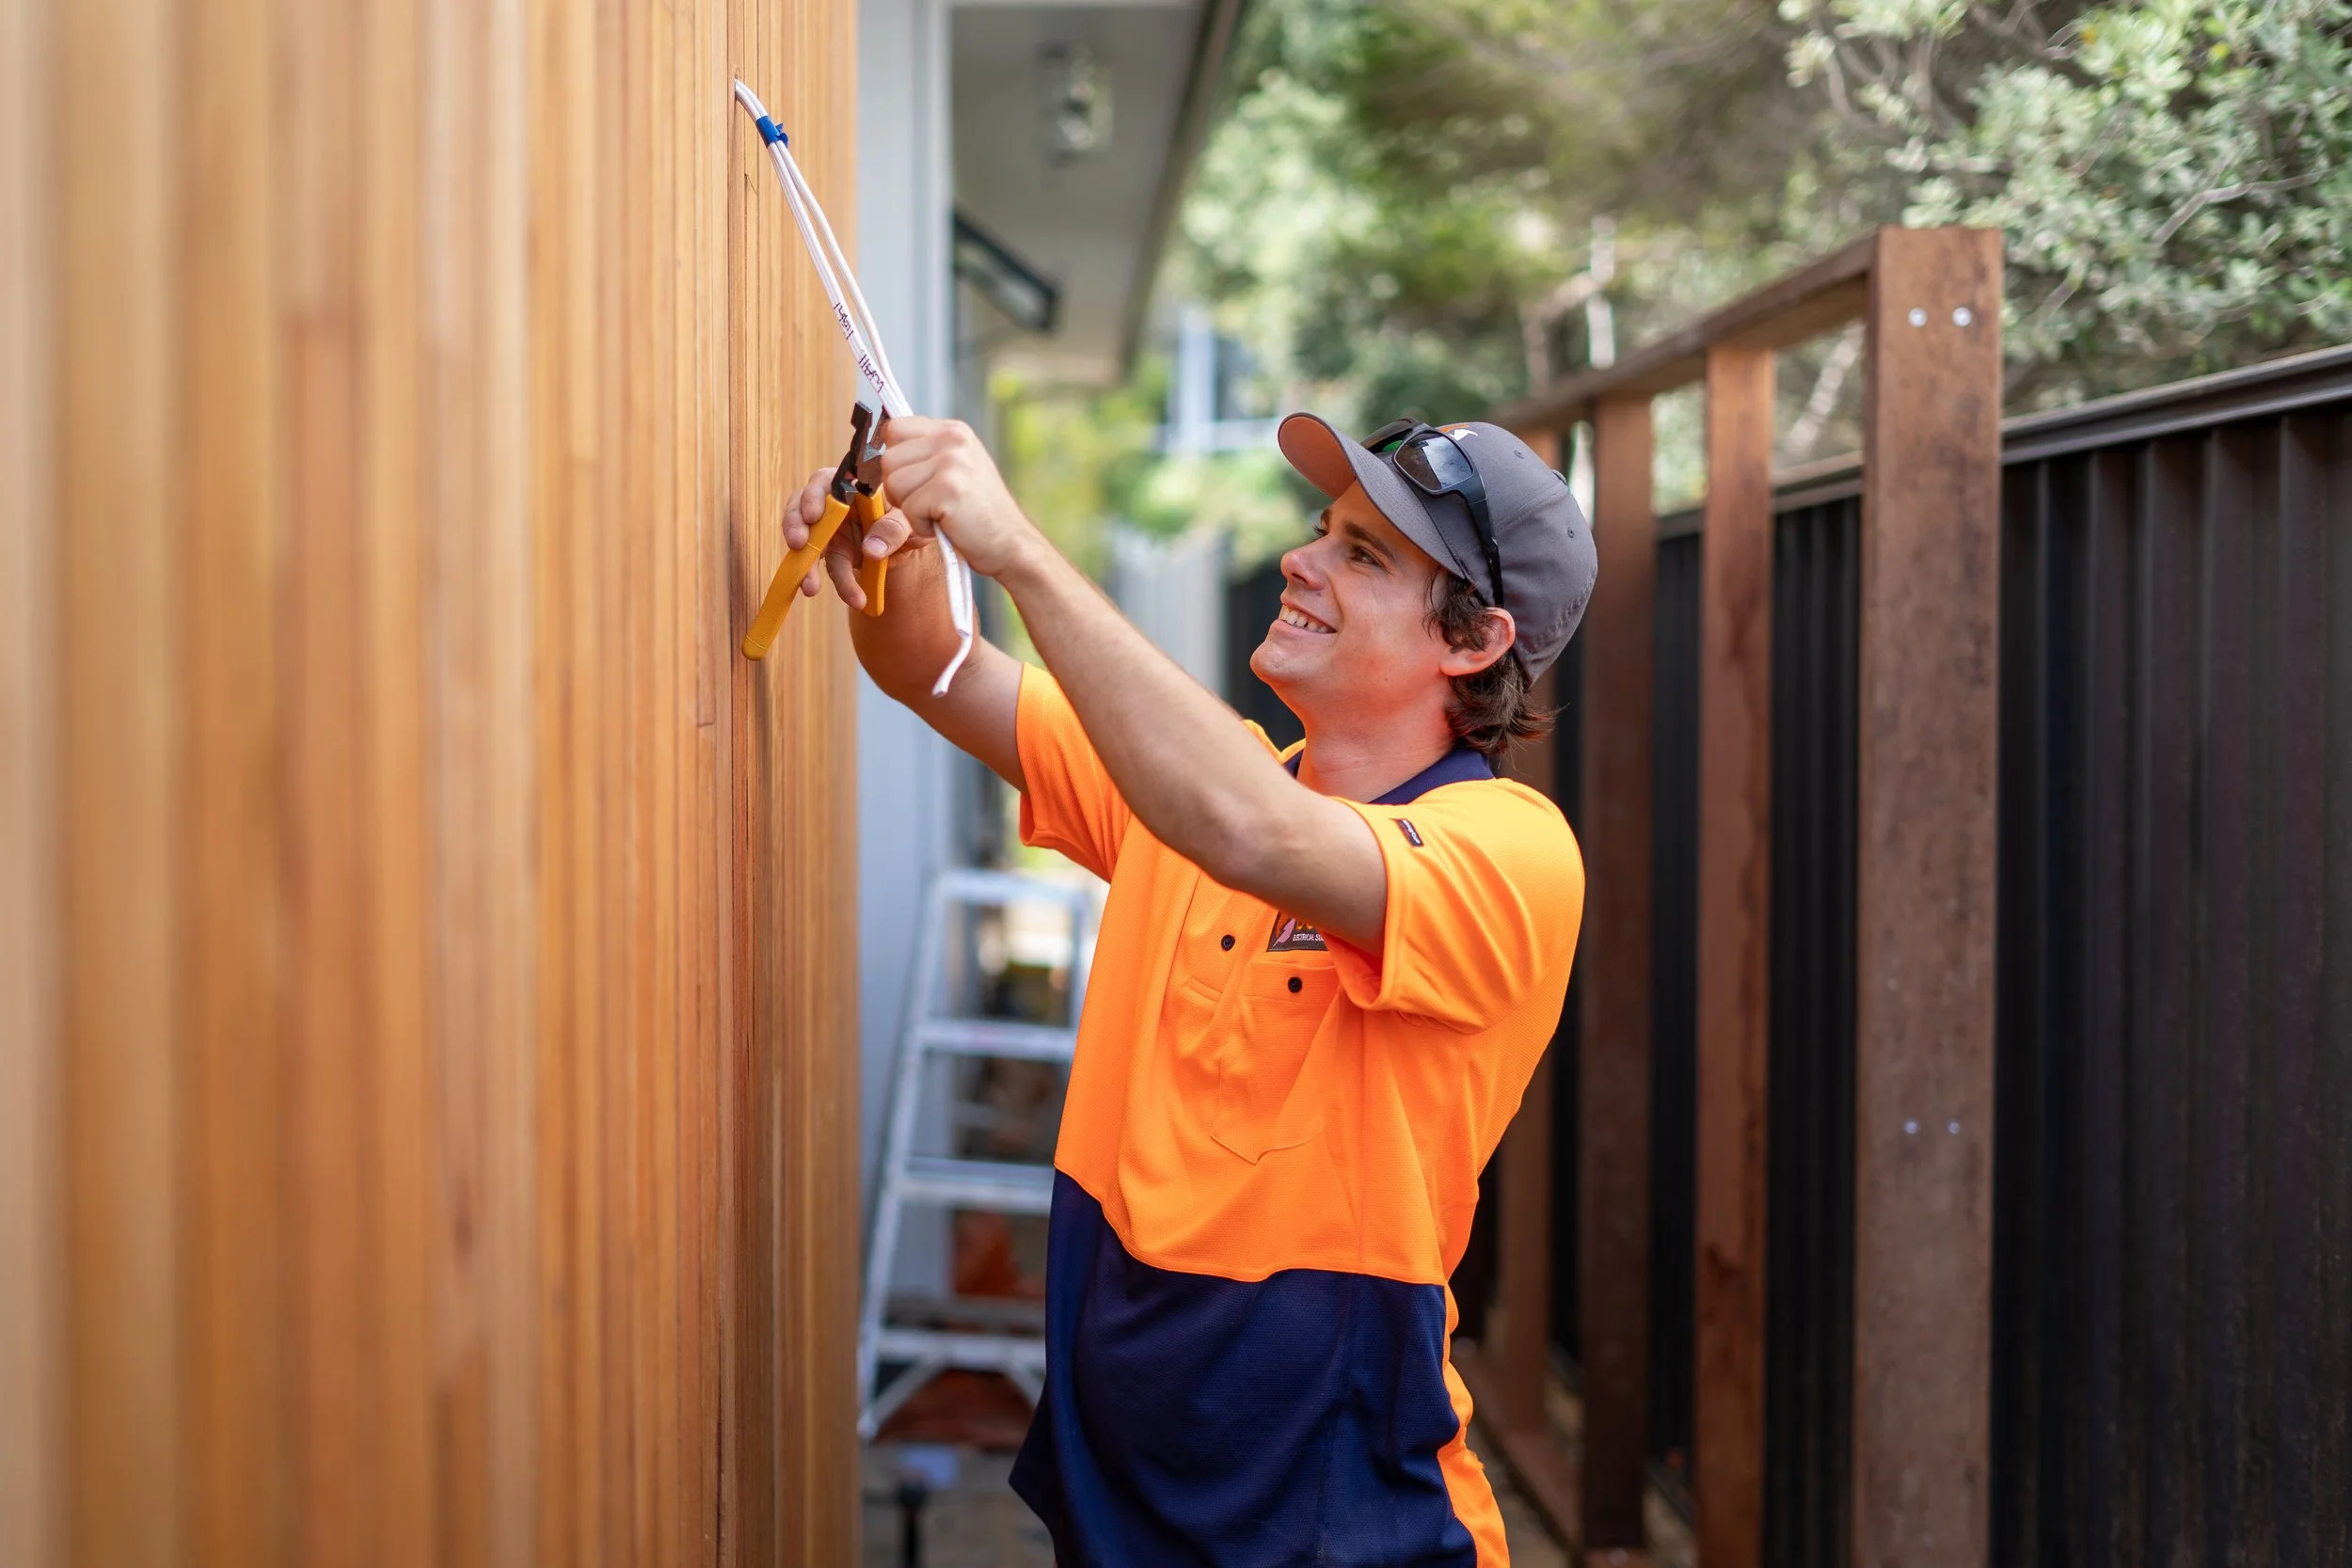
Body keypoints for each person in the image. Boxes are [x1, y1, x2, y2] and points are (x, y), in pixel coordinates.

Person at [787, 408, 1597, 1566]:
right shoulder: (1190, 784)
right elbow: (934, 665)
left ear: (1473, 641)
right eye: (1322, 529)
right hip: (1121, 1504)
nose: (1301, 561)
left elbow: (1251, 830)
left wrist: (1019, 551)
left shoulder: (1510, 851)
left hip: (1338, 1525)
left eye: (1364, 555)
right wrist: (896, 544)